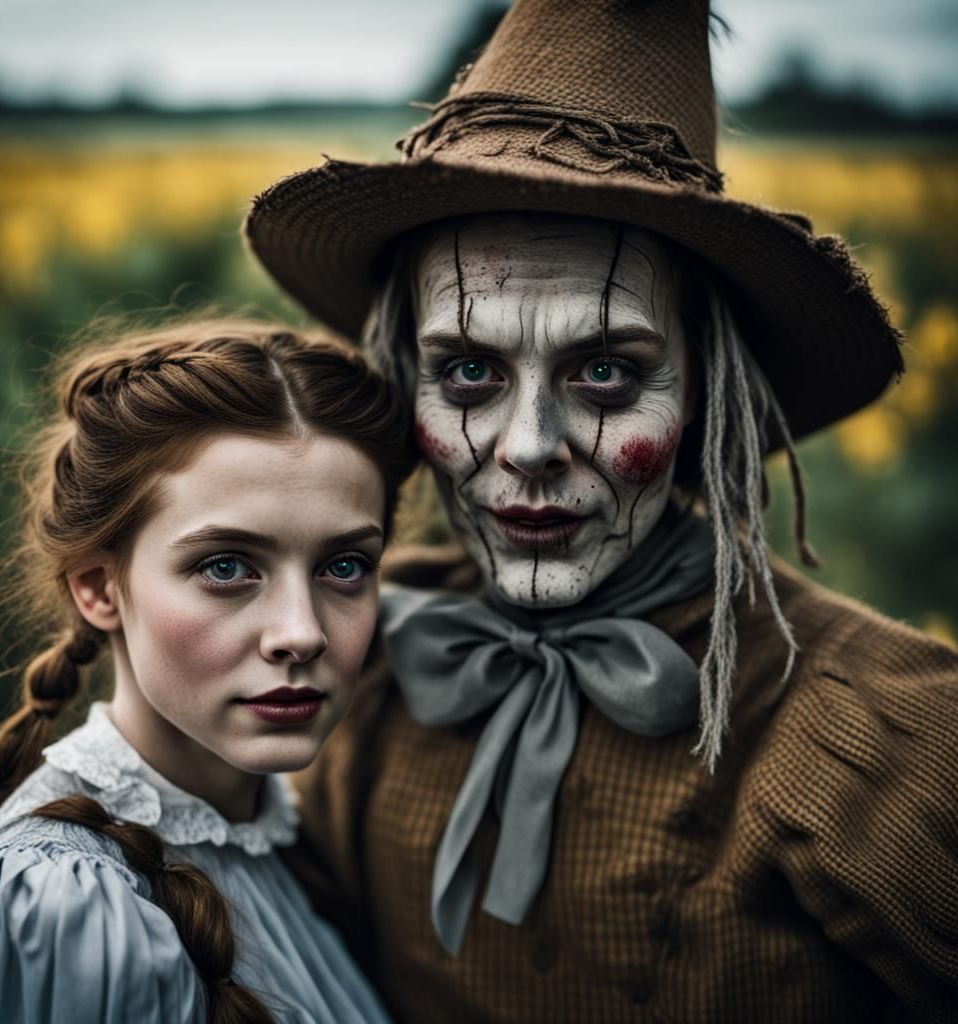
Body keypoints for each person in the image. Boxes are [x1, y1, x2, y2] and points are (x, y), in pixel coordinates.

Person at [245, 0, 958, 1020]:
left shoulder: (891, 744)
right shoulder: (355, 655)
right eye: (468, 370)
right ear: (404, 382)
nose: (530, 445)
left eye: (607, 371)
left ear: (708, 388)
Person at [0, 319, 413, 1022]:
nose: (301, 634)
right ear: (99, 587)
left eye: (344, 567)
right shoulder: (67, 903)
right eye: (226, 567)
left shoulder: (286, 841)